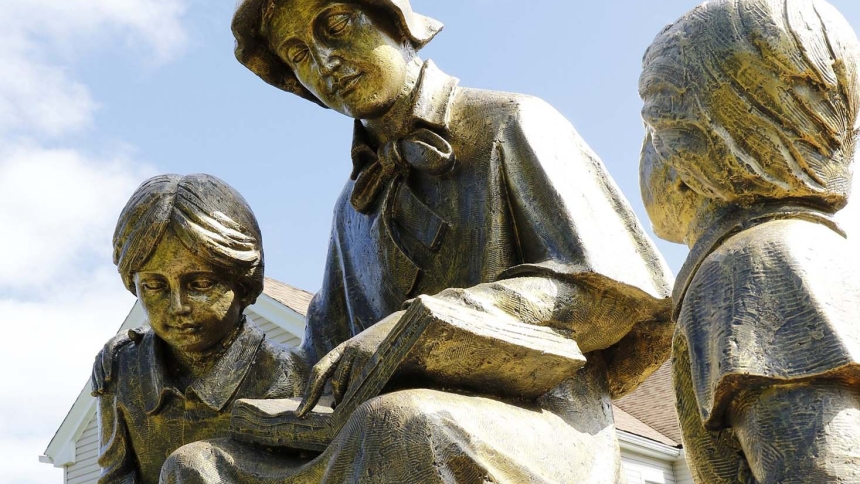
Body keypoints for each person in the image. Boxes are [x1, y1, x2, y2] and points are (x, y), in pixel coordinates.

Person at [158, 1, 675, 482]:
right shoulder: (353, 206)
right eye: (298, 55)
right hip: (366, 431)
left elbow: (614, 294)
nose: (325, 61)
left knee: (399, 426)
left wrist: (430, 322)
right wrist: (200, 348)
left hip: (540, 424)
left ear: (393, 18)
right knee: (198, 465)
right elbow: (322, 356)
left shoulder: (511, 122)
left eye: (335, 26)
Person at [639, 0, 860, 482]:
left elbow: (824, 469)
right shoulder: (813, 252)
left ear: (690, 153)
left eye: (651, 131)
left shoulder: (750, 265)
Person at [93, 174, 306, 484]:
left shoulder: (287, 378)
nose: (178, 306)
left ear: (243, 283)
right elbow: (115, 477)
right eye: (154, 286)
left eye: (201, 284)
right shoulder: (122, 369)